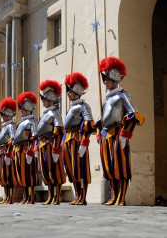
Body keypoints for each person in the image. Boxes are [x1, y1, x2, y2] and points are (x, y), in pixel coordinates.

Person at [96, 57, 145, 206]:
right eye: (104, 79)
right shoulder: (106, 99)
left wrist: (125, 134)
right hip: (106, 135)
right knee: (108, 167)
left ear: (114, 79)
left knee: (120, 167)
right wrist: (98, 133)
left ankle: (121, 197)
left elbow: (134, 115)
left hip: (118, 133)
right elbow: (101, 119)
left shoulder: (123, 95)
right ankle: (113, 195)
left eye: (107, 79)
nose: (105, 82)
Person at [63, 73, 94, 205]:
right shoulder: (71, 108)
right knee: (71, 169)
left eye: (69, 91)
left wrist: (84, 142)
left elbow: (89, 124)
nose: (68, 94)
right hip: (68, 139)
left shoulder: (83, 106)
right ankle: (77, 195)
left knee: (81, 169)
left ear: (76, 91)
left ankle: (83, 197)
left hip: (77, 139)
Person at [38, 80, 66, 205]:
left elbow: (59, 129)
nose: (42, 101)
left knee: (56, 171)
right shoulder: (44, 114)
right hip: (43, 144)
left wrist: (56, 147)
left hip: (51, 143)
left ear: (50, 99)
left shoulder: (55, 113)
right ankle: (50, 195)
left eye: (44, 99)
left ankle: (57, 197)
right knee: (46, 171)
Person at [14, 92, 39, 204]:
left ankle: (31, 197)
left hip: (27, 150)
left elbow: (34, 137)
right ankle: (25, 196)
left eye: (22, 108)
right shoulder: (21, 123)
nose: (20, 110)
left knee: (29, 175)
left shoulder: (32, 121)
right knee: (21, 175)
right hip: (19, 150)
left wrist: (33, 151)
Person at [0, 97, 17, 204]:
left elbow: (12, 138)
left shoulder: (11, 125)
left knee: (9, 176)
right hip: (1, 153)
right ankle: (6, 196)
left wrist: (8, 149)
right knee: (3, 176)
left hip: (7, 153)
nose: (2, 116)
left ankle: (10, 197)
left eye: (3, 114)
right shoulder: (4, 126)